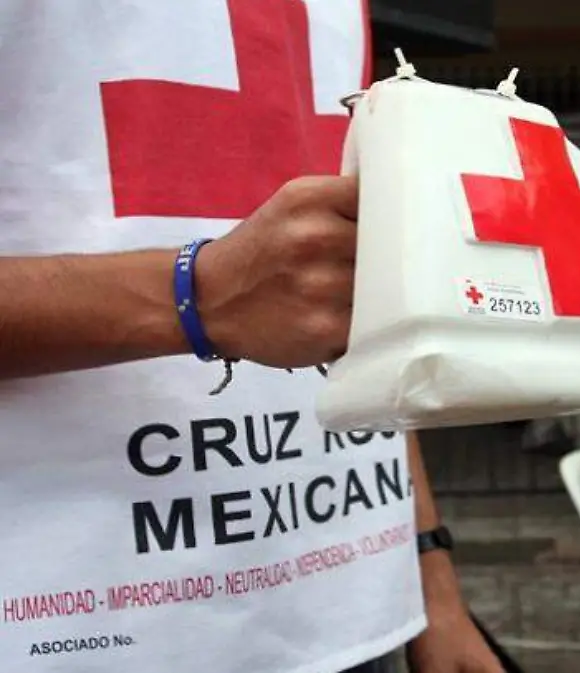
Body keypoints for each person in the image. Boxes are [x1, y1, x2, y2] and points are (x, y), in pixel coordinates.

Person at [0, 4, 500, 672]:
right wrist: (200, 294)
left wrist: (431, 574)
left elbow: (352, 322)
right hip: (91, 617)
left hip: (356, 599)